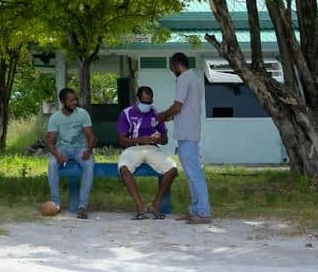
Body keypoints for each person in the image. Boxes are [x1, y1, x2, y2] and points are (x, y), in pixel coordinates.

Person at [156, 51, 211, 223]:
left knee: (195, 174)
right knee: (190, 174)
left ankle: (204, 212)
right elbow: (182, 109)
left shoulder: (183, 78)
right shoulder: (193, 78)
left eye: (172, 68)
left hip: (188, 134)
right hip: (188, 132)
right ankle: (195, 209)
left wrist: (161, 116)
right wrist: (167, 116)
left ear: (177, 65)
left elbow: (177, 106)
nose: (172, 71)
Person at [109, 81, 177, 219]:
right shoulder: (126, 113)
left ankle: (156, 204)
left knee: (172, 169)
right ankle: (140, 206)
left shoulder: (156, 113)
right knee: (124, 168)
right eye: (144, 101)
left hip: (152, 149)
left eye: (149, 102)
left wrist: (158, 139)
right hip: (132, 148)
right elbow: (122, 140)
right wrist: (140, 140)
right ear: (137, 99)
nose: (147, 105)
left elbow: (165, 140)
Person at [42, 87, 95, 217]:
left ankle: (82, 206)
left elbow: (91, 136)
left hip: (80, 148)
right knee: (52, 164)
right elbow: (49, 141)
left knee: (89, 164)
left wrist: (88, 151)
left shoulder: (82, 114)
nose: (74, 103)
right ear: (62, 102)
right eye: (71, 100)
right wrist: (58, 155)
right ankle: (56, 204)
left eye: (75, 100)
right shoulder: (55, 118)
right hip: (62, 149)